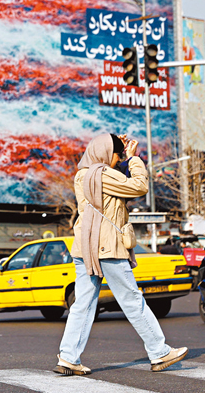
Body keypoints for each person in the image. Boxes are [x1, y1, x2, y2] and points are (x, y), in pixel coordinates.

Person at [55, 133, 187, 376]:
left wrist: (120, 149)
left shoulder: (83, 174)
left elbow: (118, 178)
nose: (117, 160)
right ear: (106, 154)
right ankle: (159, 352)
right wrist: (134, 158)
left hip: (85, 247)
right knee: (132, 299)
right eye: (115, 155)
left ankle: (68, 357)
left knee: (83, 304)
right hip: (107, 247)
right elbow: (139, 186)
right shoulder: (102, 174)